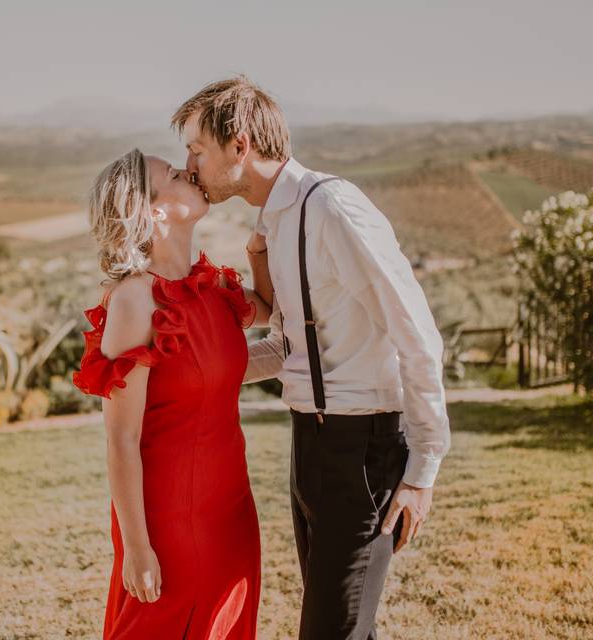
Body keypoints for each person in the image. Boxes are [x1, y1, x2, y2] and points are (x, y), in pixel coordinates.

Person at [172, 76, 452, 640]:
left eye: (197, 149)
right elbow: (291, 349)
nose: (190, 164)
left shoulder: (333, 209)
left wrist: (422, 471)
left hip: (362, 452)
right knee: (349, 628)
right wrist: (189, 373)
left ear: (240, 145)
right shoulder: (273, 221)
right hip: (312, 447)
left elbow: (416, 333)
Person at [71, 148, 272, 639]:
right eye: (175, 175)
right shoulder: (134, 300)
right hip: (168, 522)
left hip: (232, 508)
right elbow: (122, 441)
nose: (191, 174)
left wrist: (258, 249)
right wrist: (137, 549)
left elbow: (268, 306)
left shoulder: (210, 287)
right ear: (155, 210)